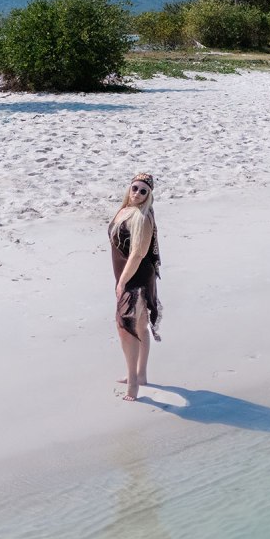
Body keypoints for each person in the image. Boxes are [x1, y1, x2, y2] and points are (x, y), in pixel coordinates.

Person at [109, 172, 161, 401]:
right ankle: (140, 375)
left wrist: (122, 282)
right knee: (139, 324)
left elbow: (138, 253)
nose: (138, 193)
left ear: (149, 195)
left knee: (126, 328)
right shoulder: (125, 210)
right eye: (135, 188)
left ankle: (133, 384)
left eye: (143, 191)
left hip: (135, 278)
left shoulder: (143, 217)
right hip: (129, 275)